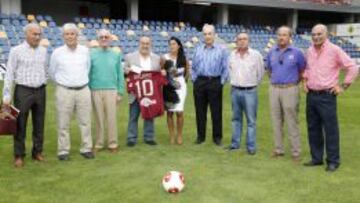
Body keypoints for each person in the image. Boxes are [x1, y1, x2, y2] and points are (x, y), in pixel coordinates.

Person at [303, 24, 359, 172]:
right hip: (311, 95)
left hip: (327, 96)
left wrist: (343, 86)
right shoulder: (309, 51)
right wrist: (305, 81)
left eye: (319, 34)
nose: (316, 37)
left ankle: (333, 161)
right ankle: (316, 158)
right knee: (313, 128)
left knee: (330, 129)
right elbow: (308, 69)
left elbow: (353, 66)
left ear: (326, 34)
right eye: (313, 34)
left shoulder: (334, 50)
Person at [2, 23, 48, 167]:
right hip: (23, 90)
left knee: (39, 124)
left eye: (39, 34)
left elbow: (45, 69)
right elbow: (9, 73)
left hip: (40, 90)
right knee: (20, 123)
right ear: (26, 34)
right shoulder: (16, 51)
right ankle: (19, 155)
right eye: (34, 34)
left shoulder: (43, 51)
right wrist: (6, 96)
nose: (37, 37)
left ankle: (37, 152)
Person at [49, 23, 94, 161]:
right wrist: (64, 84)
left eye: (72, 33)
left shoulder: (85, 51)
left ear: (76, 35)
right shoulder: (57, 52)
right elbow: (52, 72)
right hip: (64, 90)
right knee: (63, 122)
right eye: (67, 34)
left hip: (83, 90)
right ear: (63, 36)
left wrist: (79, 81)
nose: (70, 36)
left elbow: (88, 68)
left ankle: (86, 148)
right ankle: (63, 151)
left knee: (85, 121)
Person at [265, 26, 306, 162]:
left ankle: (296, 152)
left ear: (290, 37)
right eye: (279, 35)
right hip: (274, 89)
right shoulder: (272, 52)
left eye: (284, 35)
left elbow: (302, 70)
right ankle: (278, 149)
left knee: (291, 121)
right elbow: (269, 70)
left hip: (290, 89)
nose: (281, 37)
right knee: (276, 120)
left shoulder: (297, 52)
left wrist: (293, 83)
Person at [226, 32, 264, 155]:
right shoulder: (231, 55)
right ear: (236, 41)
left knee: (251, 120)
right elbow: (229, 71)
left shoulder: (256, 55)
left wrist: (252, 85)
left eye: (244, 39)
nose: (242, 41)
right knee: (236, 119)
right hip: (235, 91)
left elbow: (260, 73)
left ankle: (251, 147)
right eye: (240, 39)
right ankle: (235, 144)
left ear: (249, 41)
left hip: (250, 91)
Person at [191, 24, 229, 146]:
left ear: (214, 35)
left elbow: (226, 68)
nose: (207, 36)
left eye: (209, 34)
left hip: (215, 81)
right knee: (200, 111)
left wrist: (221, 82)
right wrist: (195, 80)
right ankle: (200, 137)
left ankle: (217, 138)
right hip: (200, 82)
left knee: (216, 111)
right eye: (205, 34)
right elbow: (193, 67)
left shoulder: (221, 50)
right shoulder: (197, 49)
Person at [124, 36, 164, 147]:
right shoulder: (130, 57)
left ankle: (149, 137)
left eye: (147, 43)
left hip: (150, 93)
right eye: (143, 43)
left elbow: (159, 73)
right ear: (139, 43)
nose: (145, 45)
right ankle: (131, 138)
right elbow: (125, 72)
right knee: (133, 115)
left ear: (150, 45)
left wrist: (163, 73)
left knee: (149, 114)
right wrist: (127, 71)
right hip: (135, 93)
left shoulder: (156, 58)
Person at [89, 29, 124, 153]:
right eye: (101, 37)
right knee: (98, 118)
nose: (104, 39)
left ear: (110, 39)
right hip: (95, 89)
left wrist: (120, 92)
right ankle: (98, 144)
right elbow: (88, 73)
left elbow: (120, 73)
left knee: (111, 118)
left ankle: (112, 144)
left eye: (106, 37)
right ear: (98, 39)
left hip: (112, 90)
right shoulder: (91, 54)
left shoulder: (116, 54)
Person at [162, 37, 189, 145]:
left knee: (179, 112)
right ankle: (172, 135)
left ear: (179, 46)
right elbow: (161, 71)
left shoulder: (183, 58)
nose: (172, 46)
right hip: (168, 87)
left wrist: (182, 83)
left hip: (181, 87)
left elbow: (187, 73)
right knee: (169, 112)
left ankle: (179, 135)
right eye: (170, 44)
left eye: (174, 44)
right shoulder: (164, 58)